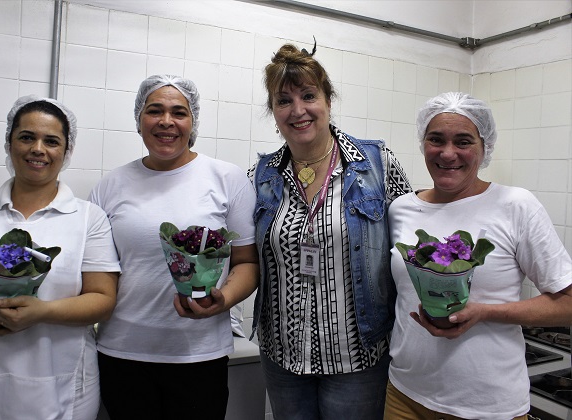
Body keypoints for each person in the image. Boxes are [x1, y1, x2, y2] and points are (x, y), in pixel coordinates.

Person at [248, 42, 412, 420]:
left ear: (328, 100)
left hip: (357, 357)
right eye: (284, 100)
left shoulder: (377, 165)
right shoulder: (260, 178)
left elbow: (413, 247)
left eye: (309, 95)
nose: (298, 110)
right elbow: (245, 258)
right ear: (273, 112)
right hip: (283, 357)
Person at [385, 92, 572, 420]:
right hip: (405, 395)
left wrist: (485, 312)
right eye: (436, 139)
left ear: (484, 147)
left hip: (487, 405)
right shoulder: (401, 209)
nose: (447, 153)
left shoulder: (516, 206)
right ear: (422, 143)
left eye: (463, 141)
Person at [89, 74, 259, 419]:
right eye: (155, 111)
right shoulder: (111, 185)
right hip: (122, 352)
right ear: (139, 120)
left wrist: (221, 300)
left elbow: (247, 262)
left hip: (198, 354)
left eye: (179, 112)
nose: (166, 121)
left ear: (192, 122)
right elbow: (99, 271)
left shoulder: (226, 179)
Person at [0, 95, 121, 419]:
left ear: (66, 151)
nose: (38, 148)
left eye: (51, 141)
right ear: (9, 142)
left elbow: (103, 299)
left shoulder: (87, 218)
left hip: (60, 386)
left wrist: (43, 312)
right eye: (27, 137)